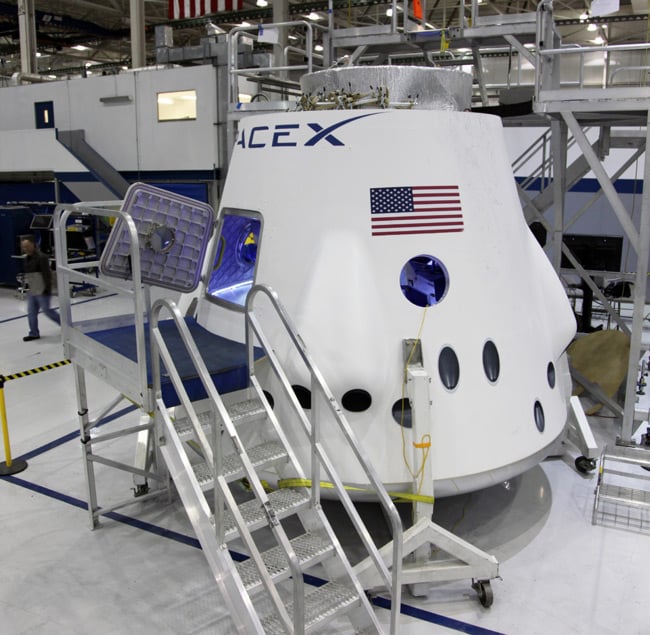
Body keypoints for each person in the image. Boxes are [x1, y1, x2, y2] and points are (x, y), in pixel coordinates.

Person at [20, 235, 60, 341]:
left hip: (42, 290)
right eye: (24, 247)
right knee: (31, 313)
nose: (26, 249)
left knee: (47, 310)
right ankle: (33, 333)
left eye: (27, 246)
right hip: (33, 290)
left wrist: (47, 289)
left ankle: (66, 326)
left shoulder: (42, 257)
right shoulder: (26, 258)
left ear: (33, 245)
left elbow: (47, 274)